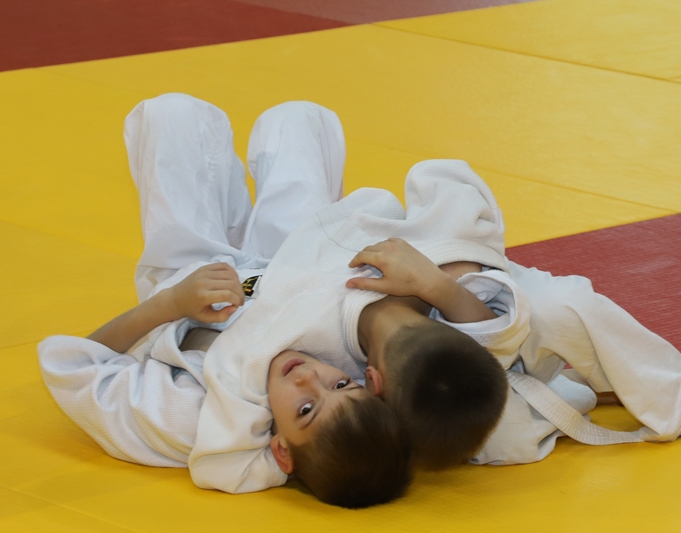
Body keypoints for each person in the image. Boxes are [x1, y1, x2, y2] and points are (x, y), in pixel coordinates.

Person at [38, 94, 412, 508]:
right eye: (341, 385)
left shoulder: (194, 417)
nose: (309, 378)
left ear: (281, 451)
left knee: (171, 114)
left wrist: (169, 304)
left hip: (189, 279)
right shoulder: (363, 366)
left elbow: (73, 366)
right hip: (292, 261)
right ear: (370, 385)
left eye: (306, 409)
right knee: (299, 119)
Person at [345, 236, 681, 465]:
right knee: (502, 443)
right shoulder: (333, 333)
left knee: (564, 308)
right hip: (433, 379)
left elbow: (464, 204)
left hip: (488, 299)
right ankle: (584, 388)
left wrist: (450, 267)